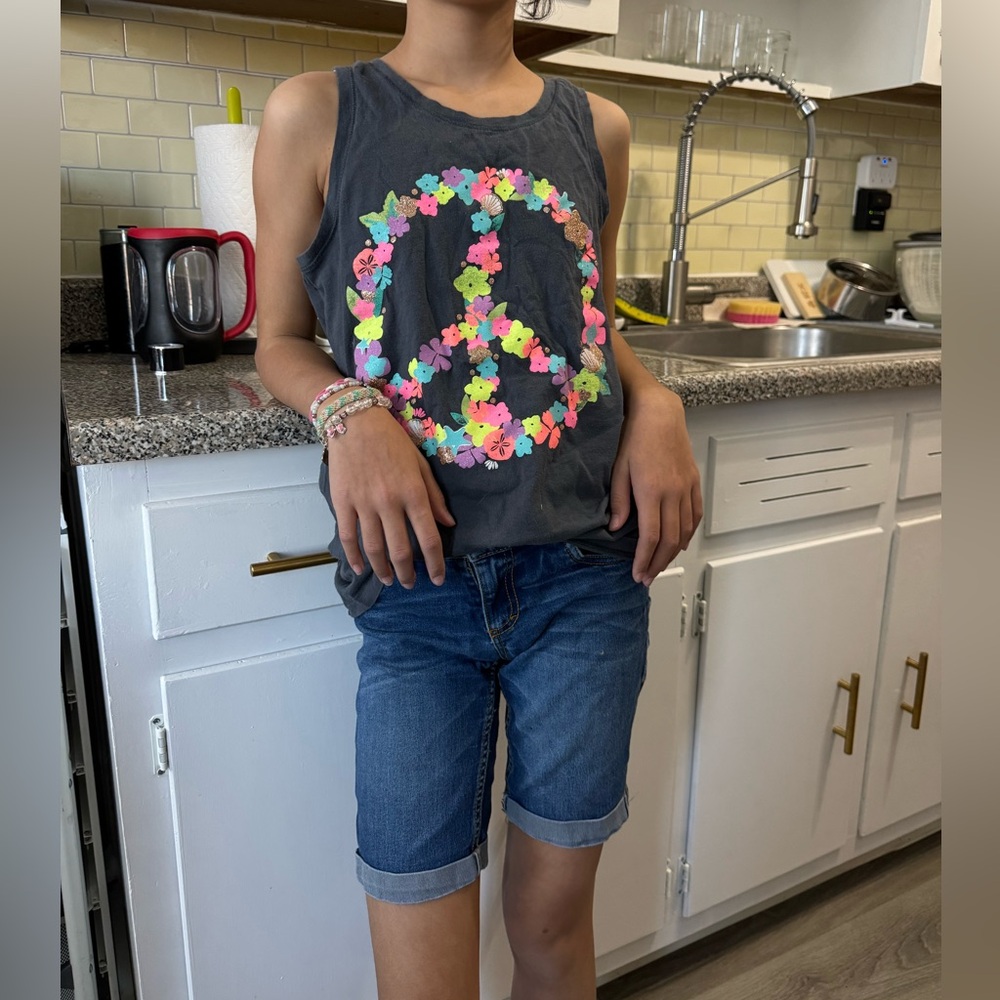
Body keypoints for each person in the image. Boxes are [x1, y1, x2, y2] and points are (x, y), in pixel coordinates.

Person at [252, 1, 702, 996]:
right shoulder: (313, 113)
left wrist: (654, 395)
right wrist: (349, 410)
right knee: (421, 968)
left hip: (586, 580)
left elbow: (587, 324)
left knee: (553, 932)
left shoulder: (601, 129)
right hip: (413, 591)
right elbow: (279, 337)